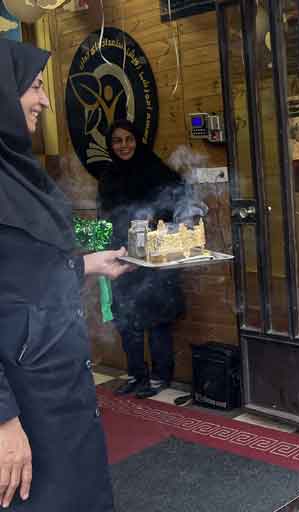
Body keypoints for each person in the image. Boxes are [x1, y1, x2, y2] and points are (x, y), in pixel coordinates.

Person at [0, 39, 132, 510]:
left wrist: (88, 264)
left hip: (59, 390)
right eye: (34, 86)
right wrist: (3, 421)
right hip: (23, 402)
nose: (45, 100)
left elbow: (22, 273)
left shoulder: (16, 169)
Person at [90, 119, 186, 399]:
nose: (123, 146)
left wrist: (159, 221)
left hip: (154, 255)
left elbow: (178, 201)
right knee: (126, 317)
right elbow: (104, 215)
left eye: (128, 139)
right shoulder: (109, 176)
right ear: (110, 145)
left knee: (156, 317)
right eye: (117, 141)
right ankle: (136, 374)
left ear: (138, 140)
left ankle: (160, 376)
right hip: (121, 254)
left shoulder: (156, 170)